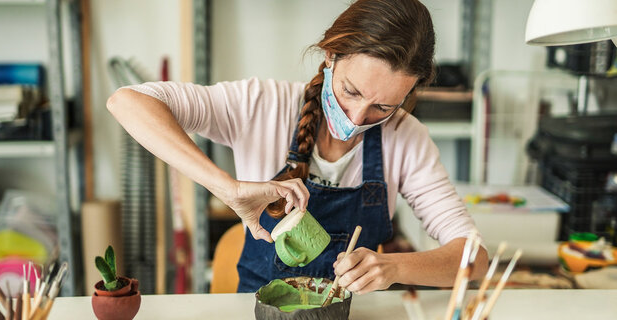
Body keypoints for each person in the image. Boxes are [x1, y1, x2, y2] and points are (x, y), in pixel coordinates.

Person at [107, 0, 488, 294]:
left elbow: (476, 259)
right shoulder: (262, 104)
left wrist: (394, 268)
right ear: (330, 56)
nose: (356, 118)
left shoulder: (408, 139)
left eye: (383, 107)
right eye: (350, 91)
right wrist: (229, 188)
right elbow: (127, 102)